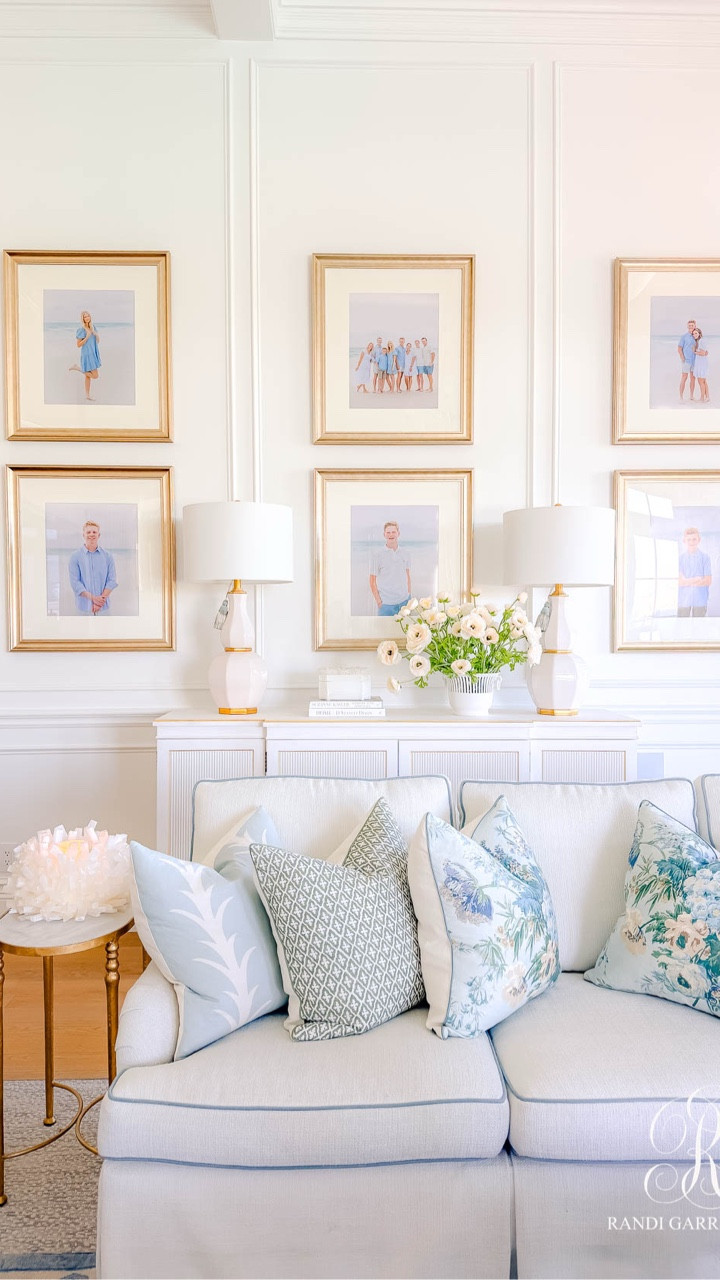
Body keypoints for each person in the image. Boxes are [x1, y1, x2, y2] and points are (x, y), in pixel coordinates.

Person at [68, 521, 117, 615]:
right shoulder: (75, 556)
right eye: (88, 532)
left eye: (94, 532)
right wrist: (94, 599)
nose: (91, 534)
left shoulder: (108, 556)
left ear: (99, 535)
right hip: (83, 608)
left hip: (104, 608)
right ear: (83, 535)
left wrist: (99, 603)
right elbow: (75, 583)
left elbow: (112, 580)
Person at [369, 520, 411, 616]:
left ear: (398, 533)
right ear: (384, 534)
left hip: (404, 602)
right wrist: (379, 601)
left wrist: (408, 595)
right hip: (386, 604)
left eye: (393, 532)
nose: (391, 535)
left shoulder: (406, 553)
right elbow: (372, 581)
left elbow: (407, 575)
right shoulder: (377, 555)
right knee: (383, 630)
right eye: (388, 532)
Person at [677, 526, 712, 618]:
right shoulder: (680, 559)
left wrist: (687, 581)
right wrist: (697, 579)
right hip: (683, 600)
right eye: (689, 540)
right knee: (682, 627)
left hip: (700, 600)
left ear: (699, 540)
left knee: (699, 628)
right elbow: (680, 581)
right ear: (684, 541)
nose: (691, 542)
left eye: (694, 539)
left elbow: (708, 581)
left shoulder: (705, 558)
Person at [69, 310, 102, 402]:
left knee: (88, 376)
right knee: (95, 376)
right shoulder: (81, 330)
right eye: (85, 316)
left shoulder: (93, 327)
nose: (87, 317)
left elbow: (97, 341)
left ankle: (87, 395)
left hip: (94, 353)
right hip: (87, 354)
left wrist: (96, 334)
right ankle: (77, 368)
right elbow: (78, 345)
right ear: (82, 319)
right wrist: (87, 337)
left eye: (88, 316)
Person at [677, 318, 698, 403]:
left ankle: (691, 396)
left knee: (693, 378)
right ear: (687, 326)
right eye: (689, 326)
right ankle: (681, 397)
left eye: (692, 325)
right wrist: (683, 358)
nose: (691, 327)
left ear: (695, 326)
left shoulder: (697, 336)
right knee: (684, 378)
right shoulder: (684, 337)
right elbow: (679, 348)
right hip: (686, 361)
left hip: (695, 361)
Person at [692, 327, 710, 403]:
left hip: (701, 363)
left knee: (701, 381)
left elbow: (703, 353)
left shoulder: (702, 341)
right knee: (704, 381)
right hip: (700, 362)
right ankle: (707, 397)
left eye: (696, 333)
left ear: (699, 333)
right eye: (693, 334)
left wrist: (695, 352)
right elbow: (704, 352)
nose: (694, 335)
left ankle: (702, 398)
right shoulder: (698, 341)